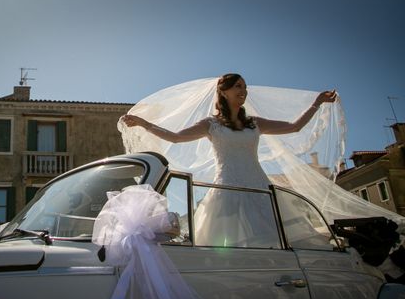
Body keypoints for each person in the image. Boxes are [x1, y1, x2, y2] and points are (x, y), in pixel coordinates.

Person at [122, 73, 337, 247]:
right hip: (227, 188)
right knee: (226, 243)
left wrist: (317, 103)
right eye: (238, 87)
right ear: (223, 92)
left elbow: (294, 127)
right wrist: (144, 123)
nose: (243, 91)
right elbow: (176, 137)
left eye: (244, 87)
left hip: (260, 188)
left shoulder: (254, 123)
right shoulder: (211, 124)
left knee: (274, 240)